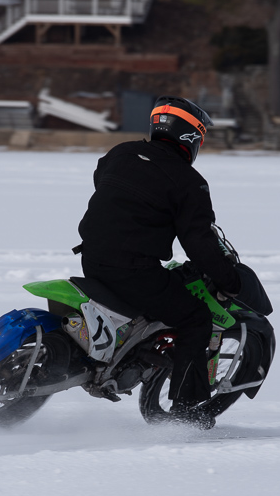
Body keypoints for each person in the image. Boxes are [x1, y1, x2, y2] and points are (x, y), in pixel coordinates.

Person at [75, 96, 241, 427]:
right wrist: (230, 280)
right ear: (191, 136)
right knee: (195, 319)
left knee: (151, 298)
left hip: (91, 259)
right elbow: (200, 243)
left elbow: (103, 180)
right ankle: (186, 412)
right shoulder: (188, 181)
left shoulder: (120, 153)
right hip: (133, 271)